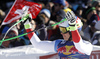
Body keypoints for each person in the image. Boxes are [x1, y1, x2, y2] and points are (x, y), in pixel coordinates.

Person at [23, 9, 93, 59]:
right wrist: (27, 25)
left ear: (72, 30)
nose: (62, 33)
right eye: (60, 29)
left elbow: (79, 45)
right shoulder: (60, 44)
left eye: (63, 30)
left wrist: (73, 27)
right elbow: (37, 44)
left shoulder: (87, 45)